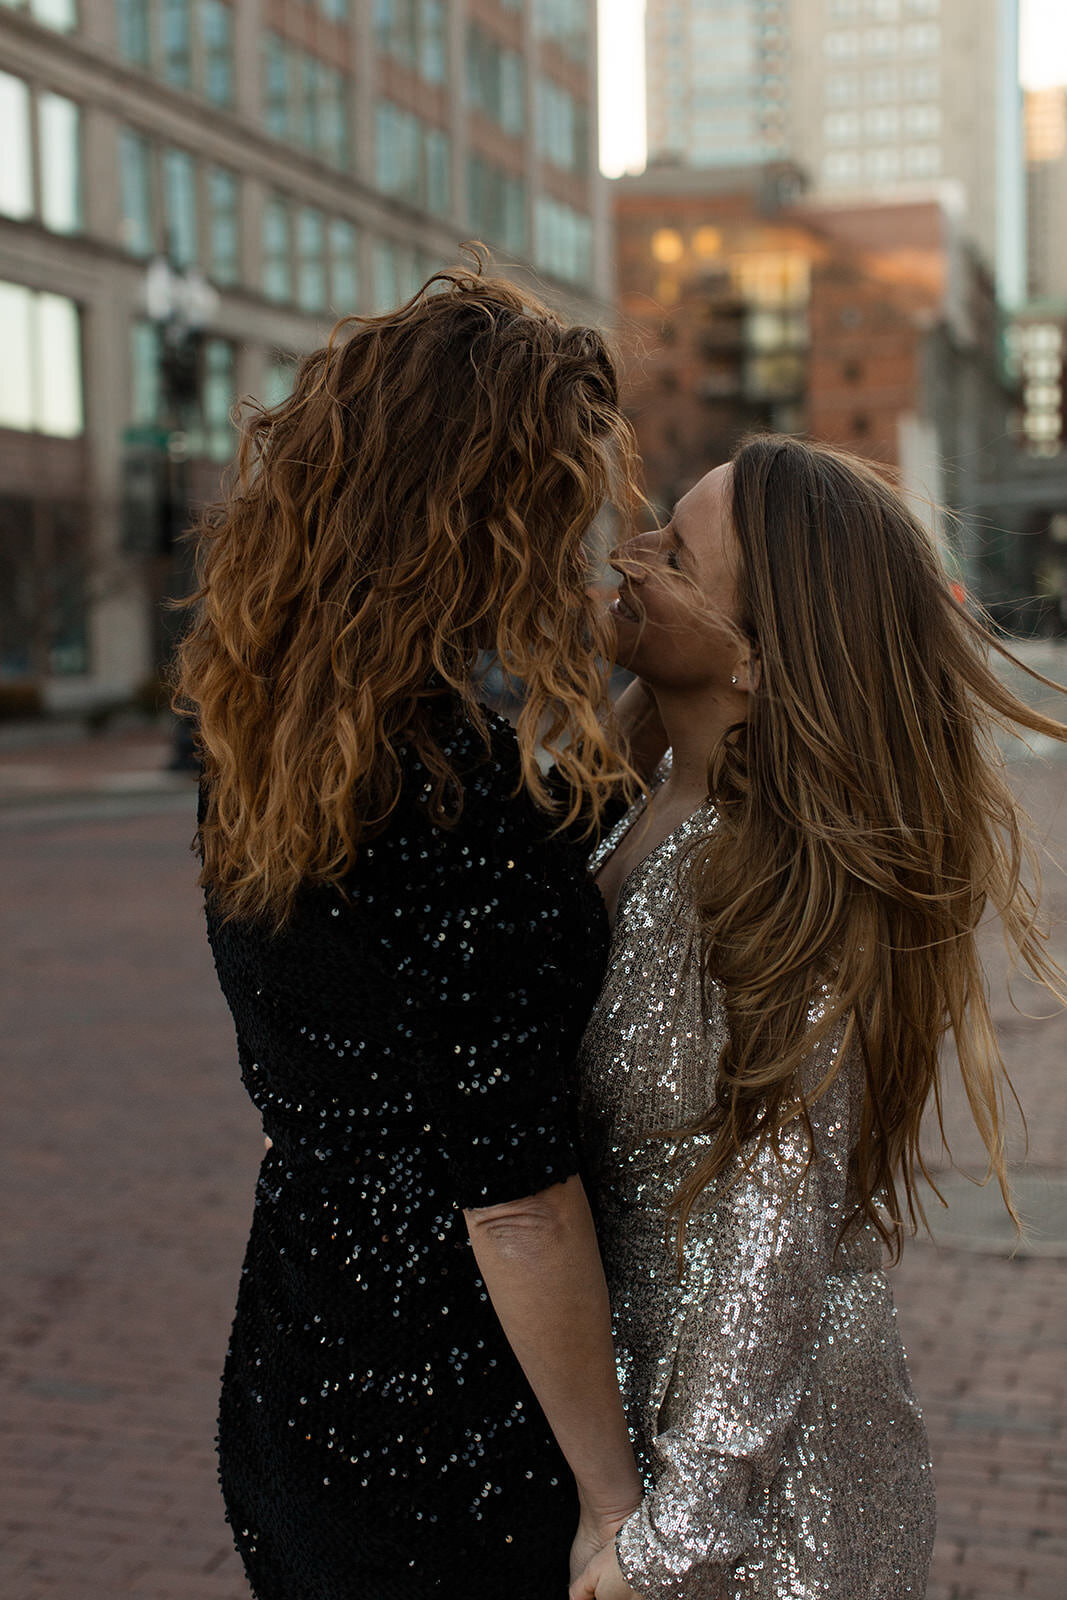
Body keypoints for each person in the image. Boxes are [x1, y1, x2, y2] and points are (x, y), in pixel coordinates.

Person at [176, 267, 663, 1599]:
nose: (586, 533)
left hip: (301, 1348)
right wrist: (611, 1505)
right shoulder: (455, 797)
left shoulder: (279, 744)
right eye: (565, 493)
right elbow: (512, 1202)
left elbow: (496, 888)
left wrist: (657, 718)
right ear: (487, 509)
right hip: (455, 1415)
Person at [571, 435, 1067, 1600]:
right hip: (657, 1411)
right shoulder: (642, 801)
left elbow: (772, 1215)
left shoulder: (782, 874)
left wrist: (676, 1532)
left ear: (755, 658)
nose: (629, 553)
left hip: (771, 1484)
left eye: (674, 554)